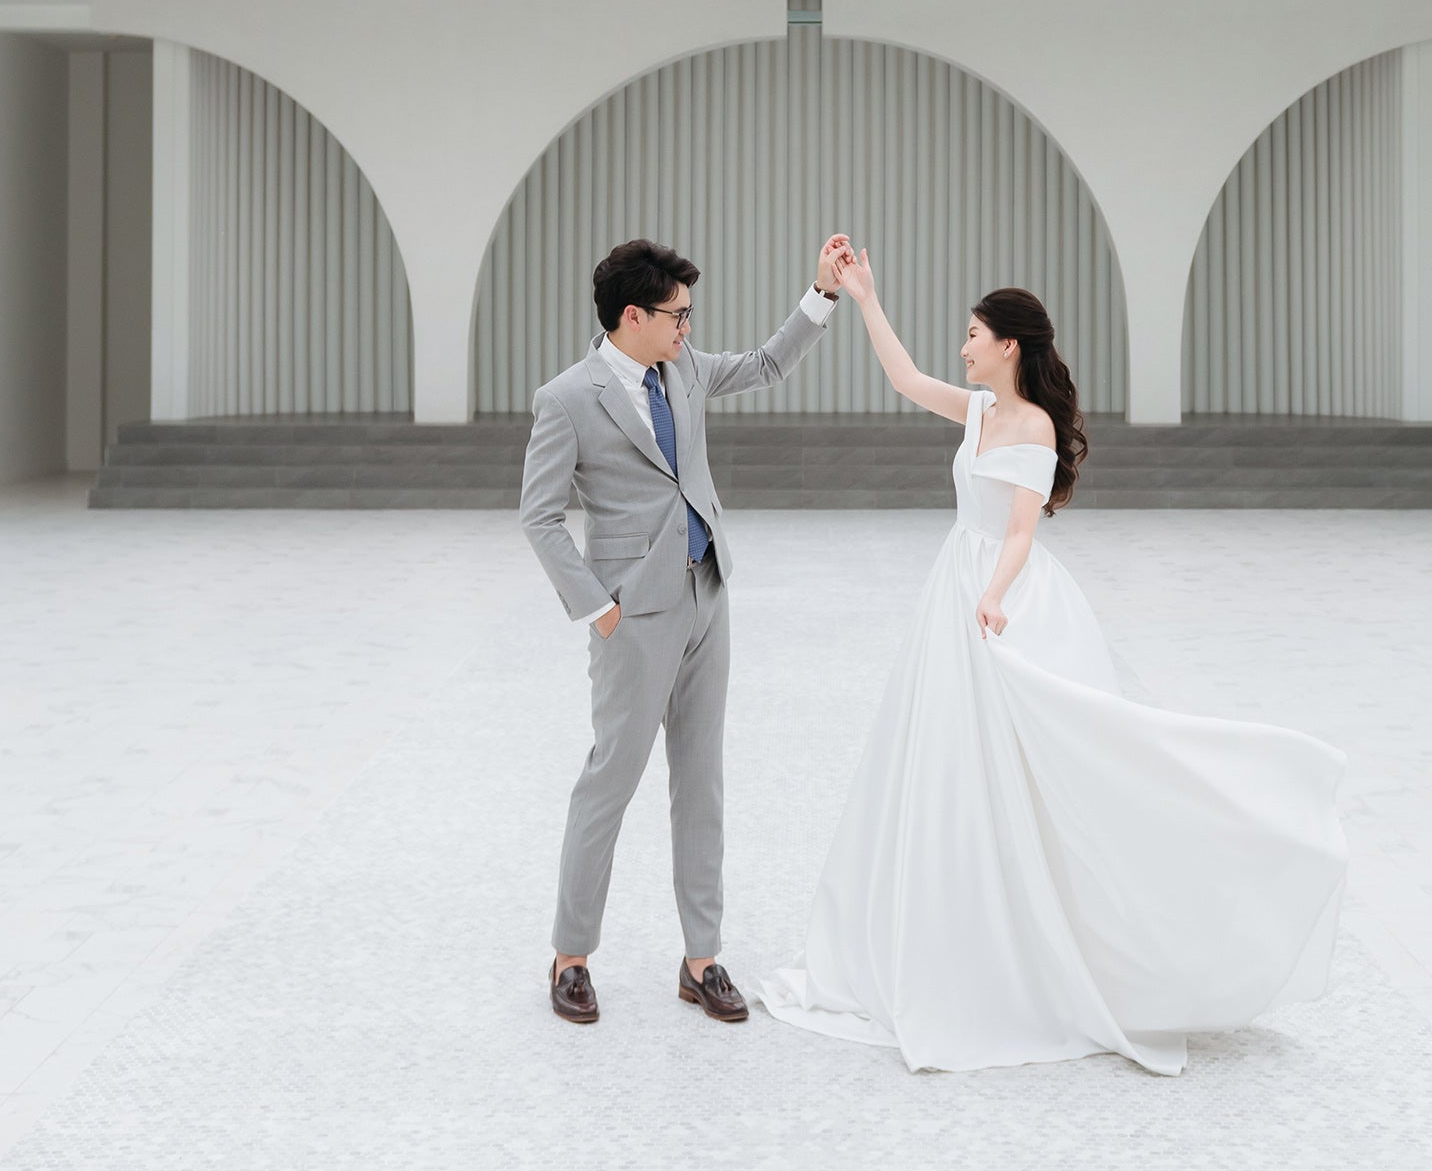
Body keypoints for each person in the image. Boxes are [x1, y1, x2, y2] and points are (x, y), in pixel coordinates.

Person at [756, 248, 1349, 1074]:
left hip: (1001, 593)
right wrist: (863, 299)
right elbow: (903, 379)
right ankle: (961, 922)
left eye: (972, 335)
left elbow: (1023, 530)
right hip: (956, 583)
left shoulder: (1031, 425)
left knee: (1039, 756)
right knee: (950, 761)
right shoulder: (975, 412)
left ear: (1007, 346)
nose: (962, 347)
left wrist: (995, 593)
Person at [520, 235, 853, 1024]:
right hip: (632, 619)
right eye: (677, 315)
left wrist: (821, 294)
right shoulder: (567, 398)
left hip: (709, 598)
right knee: (610, 782)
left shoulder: (688, 370)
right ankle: (571, 957)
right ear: (631, 316)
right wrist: (599, 607)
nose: (688, 329)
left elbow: (770, 363)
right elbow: (538, 517)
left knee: (700, 783)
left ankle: (701, 958)